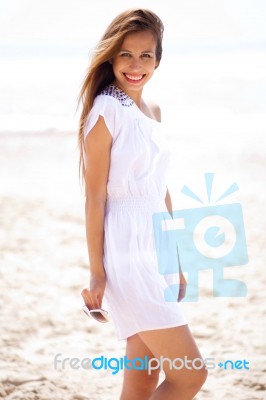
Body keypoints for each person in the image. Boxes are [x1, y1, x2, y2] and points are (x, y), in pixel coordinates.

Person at [78, 8, 207, 399]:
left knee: (142, 380)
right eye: (126, 55)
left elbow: (159, 191)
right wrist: (97, 273)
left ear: (158, 60)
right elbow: (95, 196)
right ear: (111, 57)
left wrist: (177, 260)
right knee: (191, 376)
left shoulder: (153, 112)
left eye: (146, 55)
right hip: (128, 250)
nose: (136, 65)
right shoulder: (105, 111)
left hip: (156, 246)